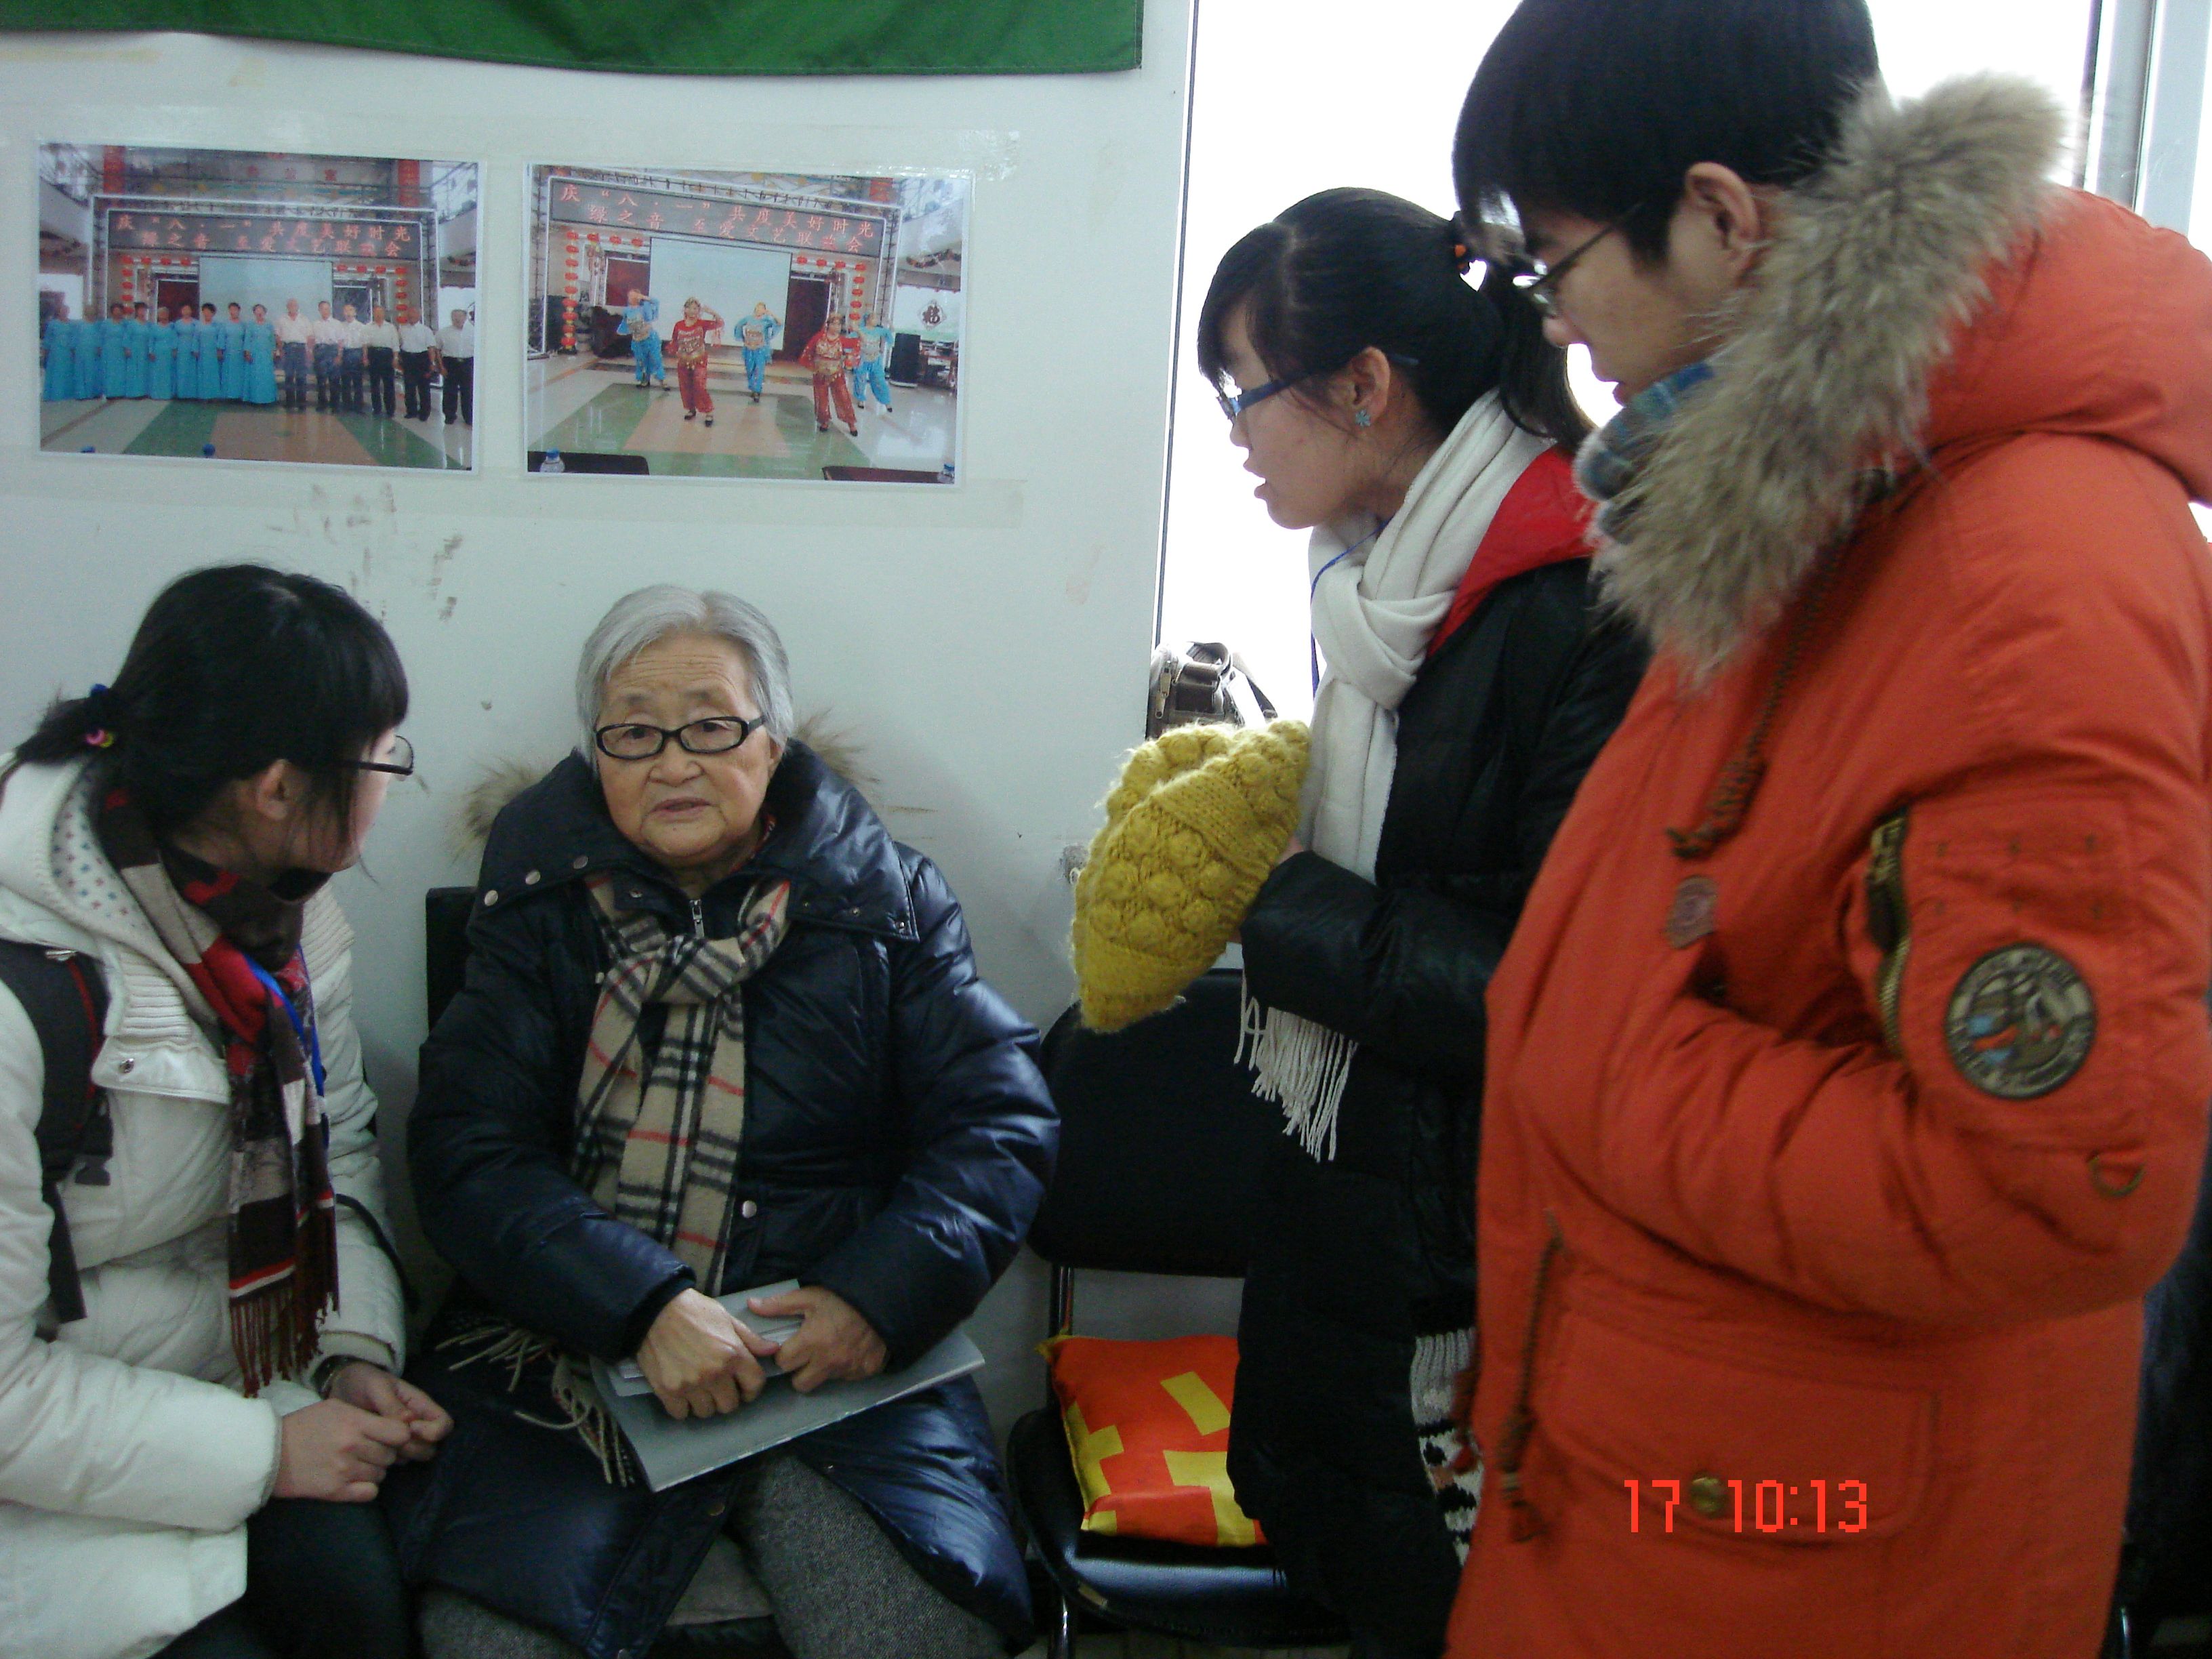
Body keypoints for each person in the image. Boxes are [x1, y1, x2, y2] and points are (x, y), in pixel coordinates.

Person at [1441, 3, 2212, 1656]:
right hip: (1684, 1485)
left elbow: (2057, 1190)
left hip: (1817, 1554)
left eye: (1556, 266)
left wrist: (1612, 1065)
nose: (1558, 328)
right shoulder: (1812, 501)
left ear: (1720, 216)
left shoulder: (2018, 578)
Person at [389, 586, 1056, 1659]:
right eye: (635, 732)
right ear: (597, 753)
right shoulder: (535, 907)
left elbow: (998, 1121)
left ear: (773, 743)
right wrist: (642, 1304)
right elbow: (469, 1151)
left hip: (832, 1359)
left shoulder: (886, 902)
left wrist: (876, 1295)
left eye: (710, 726)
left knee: (917, 1635)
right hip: (570, 1344)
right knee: (493, 1641)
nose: (673, 764)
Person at [1192, 188, 1645, 1659]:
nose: (1236, 437)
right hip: (1355, 1213)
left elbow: (1554, 988)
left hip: (1472, 1263)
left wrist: (1277, 898)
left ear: (1365, 386)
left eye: (1243, 392)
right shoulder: (1375, 579)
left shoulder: (1583, 598)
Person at [0, 565, 448, 1659]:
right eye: (383, 756)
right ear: (279, 789)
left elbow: (336, 1146)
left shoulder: (279, 915)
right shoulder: (27, 994)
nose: (393, 780)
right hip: (48, 1456)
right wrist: (265, 1455)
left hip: (236, 1371)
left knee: (368, 1614)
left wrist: (351, 1350)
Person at [799, 316, 857, 436]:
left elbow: (858, 344)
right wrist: (813, 366)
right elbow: (808, 351)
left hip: (837, 374)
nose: (836, 327)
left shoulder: (842, 340)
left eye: (839, 325)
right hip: (820, 373)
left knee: (843, 397)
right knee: (821, 398)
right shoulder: (818, 338)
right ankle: (824, 421)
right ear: (828, 325)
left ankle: (851, 423)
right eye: (834, 324)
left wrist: (859, 332)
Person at [668, 297, 720, 426]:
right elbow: (674, 340)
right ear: (685, 310)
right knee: (686, 386)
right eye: (690, 308)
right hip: (683, 360)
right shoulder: (679, 325)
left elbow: (719, 323)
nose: (693, 311)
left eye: (696, 309)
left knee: (699, 385)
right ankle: (691, 409)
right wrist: (675, 351)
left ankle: (708, 412)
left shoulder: (702, 324)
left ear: (699, 310)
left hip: (699, 360)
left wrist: (713, 313)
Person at [434, 308, 474, 426]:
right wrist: (441, 367)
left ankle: (469, 417)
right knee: (449, 390)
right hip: (450, 363)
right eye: (455, 316)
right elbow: (437, 350)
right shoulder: (443, 332)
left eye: (460, 316)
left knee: (468, 391)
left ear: (465, 318)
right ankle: (450, 416)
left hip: (468, 362)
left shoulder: (473, 331)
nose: (457, 319)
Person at [396, 306, 435, 420]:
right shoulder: (402, 329)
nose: (411, 317)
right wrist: (399, 360)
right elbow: (398, 345)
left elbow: (431, 348)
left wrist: (432, 363)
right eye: (409, 315)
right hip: (408, 359)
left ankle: (424, 413)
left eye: (413, 315)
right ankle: (411, 411)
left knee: (424, 388)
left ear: (419, 316)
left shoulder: (426, 330)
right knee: (409, 388)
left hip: (422, 359)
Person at [274, 299, 312, 411]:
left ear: (298, 307)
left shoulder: (304, 319)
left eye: (295, 305)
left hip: (301, 349)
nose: (293, 307)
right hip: (288, 349)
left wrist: (309, 351)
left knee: (301, 377)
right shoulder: (282, 319)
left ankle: (302, 404)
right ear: (287, 307)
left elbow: (309, 337)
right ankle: (290, 403)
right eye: (290, 305)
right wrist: (281, 350)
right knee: (289, 377)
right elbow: (278, 336)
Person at [849, 319, 895, 413]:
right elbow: (850, 339)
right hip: (863, 359)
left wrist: (890, 323)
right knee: (860, 380)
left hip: (875, 359)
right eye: (874, 318)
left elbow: (889, 332)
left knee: (880, 380)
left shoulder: (879, 330)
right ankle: (861, 399)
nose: (876, 320)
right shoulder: (861, 330)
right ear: (868, 320)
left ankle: (887, 402)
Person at [737, 301, 779, 402]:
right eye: (757, 308)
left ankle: (757, 391)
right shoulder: (748, 319)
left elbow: (779, 323)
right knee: (750, 369)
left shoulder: (766, 321)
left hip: (761, 349)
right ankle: (753, 388)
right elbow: (739, 326)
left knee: (759, 369)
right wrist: (743, 338)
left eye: (761, 308)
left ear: (764, 310)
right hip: (749, 349)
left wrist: (772, 315)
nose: (759, 310)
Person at [621, 287, 663, 388]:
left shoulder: (645, 307)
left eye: (633, 296)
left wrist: (644, 297)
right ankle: (644, 379)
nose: (631, 298)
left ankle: (662, 379)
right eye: (630, 296)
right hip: (637, 339)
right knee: (641, 360)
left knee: (655, 358)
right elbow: (626, 323)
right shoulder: (627, 310)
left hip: (650, 338)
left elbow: (656, 302)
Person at [362, 306, 398, 419]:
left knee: (389, 384)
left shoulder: (391, 327)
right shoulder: (368, 327)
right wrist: (365, 357)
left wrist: (395, 358)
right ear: (373, 314)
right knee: (374, 384)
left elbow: (395, 344)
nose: (378, 314)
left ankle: (390, 409)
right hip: (373, 355)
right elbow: (365, 344)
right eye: (376, 312)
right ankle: (377, 409)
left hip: (387, 355)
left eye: (380, 312)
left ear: (384, 314)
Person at [310, 301, 344, 413]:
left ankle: (335, 405)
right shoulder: (315, 324)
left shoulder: (337, 324)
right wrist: (312, 354)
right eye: (323, 309)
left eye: (327, 309)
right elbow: (312, 341)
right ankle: (322, 404)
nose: (325, 311)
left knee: (334, 380)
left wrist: (339, 355)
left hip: (333, 351)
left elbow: (340, 341)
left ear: (330, 310)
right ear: (319, 311)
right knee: (321, 381)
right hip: (320, 352)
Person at [243, 304, 279, 406]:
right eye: (257, 311)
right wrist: (247, 352)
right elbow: (247, 339)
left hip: (267, 354)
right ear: (254, 313)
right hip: (254, 354)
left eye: (261, 311)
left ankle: (268, 399)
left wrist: (274, 352)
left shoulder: (269, 325)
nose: (259, 313)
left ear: (265, 312)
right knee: (255, 377)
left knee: (266, 376)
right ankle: (255, 399)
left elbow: (272, 340)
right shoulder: (250, 325)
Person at [336, 304, 367, 415]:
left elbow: (364, 344)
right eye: (346, 311)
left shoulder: (361, 327)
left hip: (357, 353)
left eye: (350, 310)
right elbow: (340, 343)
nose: (348, 313)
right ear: (343, 313)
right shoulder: (340, 326)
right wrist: (339, 356)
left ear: (355, 313)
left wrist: (365, 357)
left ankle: (359, 407)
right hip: (345, 353)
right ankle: (347, 406)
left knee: (358, 382)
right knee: (345, 382)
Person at [39, 300, 73, 401]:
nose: (64, 312)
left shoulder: (72, 324)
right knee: (57, 373)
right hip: (56, 352)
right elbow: (48, 339)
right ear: (59, 312)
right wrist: (44, 352)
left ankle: (67, 394)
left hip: (68, 352)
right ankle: (55, 394)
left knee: (67, 372)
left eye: (66, 310)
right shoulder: (53, 324)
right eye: (62, 310)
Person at [215, 302, 246, 402]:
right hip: (228, 353)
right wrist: (220, 351)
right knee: (228, 374)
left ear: (239, 311)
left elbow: (246, 339)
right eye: (231, 310)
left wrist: (246, 352)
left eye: (235, 310)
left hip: (240, 354)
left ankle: (239, 396)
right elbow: (221, 338)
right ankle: (228, 396)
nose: (233, 312)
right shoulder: (225, 324)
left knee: (239, 375)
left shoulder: (243, 325)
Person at [195, 304, 226, 401]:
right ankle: (204, 396)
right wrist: (195, 350)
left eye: (209, 311)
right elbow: (196, 339)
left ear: (213, 313)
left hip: (214, 353)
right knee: (203, 373)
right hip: (203, 353)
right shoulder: (199, 325)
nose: (207, 313)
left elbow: (221, 338)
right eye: (205, 311)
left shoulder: (218, 325)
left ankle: (214, 395)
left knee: (214, 373)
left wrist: (220, 350)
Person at [170, 302, 200, 402]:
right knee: (181, 371)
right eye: (184, 310)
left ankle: (192, 394)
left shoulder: (196, 323)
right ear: (181, 311)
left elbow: (197, 337)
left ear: (191, 311)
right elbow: (174, 337)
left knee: (192, 371)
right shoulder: (177, 324)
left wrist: (195, 349)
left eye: (188, 309)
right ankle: (181, 394)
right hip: (181, 349)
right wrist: (175, 349)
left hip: (192, 349)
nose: (186, 312)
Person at [100, 301, 129, 400]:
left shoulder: (125, 323)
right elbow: (101, 336)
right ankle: (110, 393)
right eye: (116, 310)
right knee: (109, 371)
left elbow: (128, 336)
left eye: (119, 310)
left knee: (121, 371)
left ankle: (120, 392)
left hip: (121, 349)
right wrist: (100, 348)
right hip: (108, 350)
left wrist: (127, 348)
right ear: (112, 312)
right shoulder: (105, 323)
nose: (117, 312)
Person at [147, 304, 176, 401]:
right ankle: (156, 394)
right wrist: (151, 351)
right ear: (158, 315)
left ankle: (167, 394)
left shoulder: (172, 327)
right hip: (157, 352)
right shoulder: (154, 327)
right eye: (161, 314)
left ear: (168, 314)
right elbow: (151, 340)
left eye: (165, 313)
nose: (163, 315)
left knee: (168, 373)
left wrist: (174, 350)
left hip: (169, 353)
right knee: (157, 373)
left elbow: (175, 339)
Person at [123, 302, 151, 398]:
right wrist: (127, 348)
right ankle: (134, 393)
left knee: (144, 371)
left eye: (144, 310)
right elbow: (127, 337)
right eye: (140, 310)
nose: (142, 312)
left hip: (146, 350)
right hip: (135, 349)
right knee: (135, 371)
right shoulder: (131, 324)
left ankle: (144, 392)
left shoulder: (149, 324)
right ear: (136, 311)